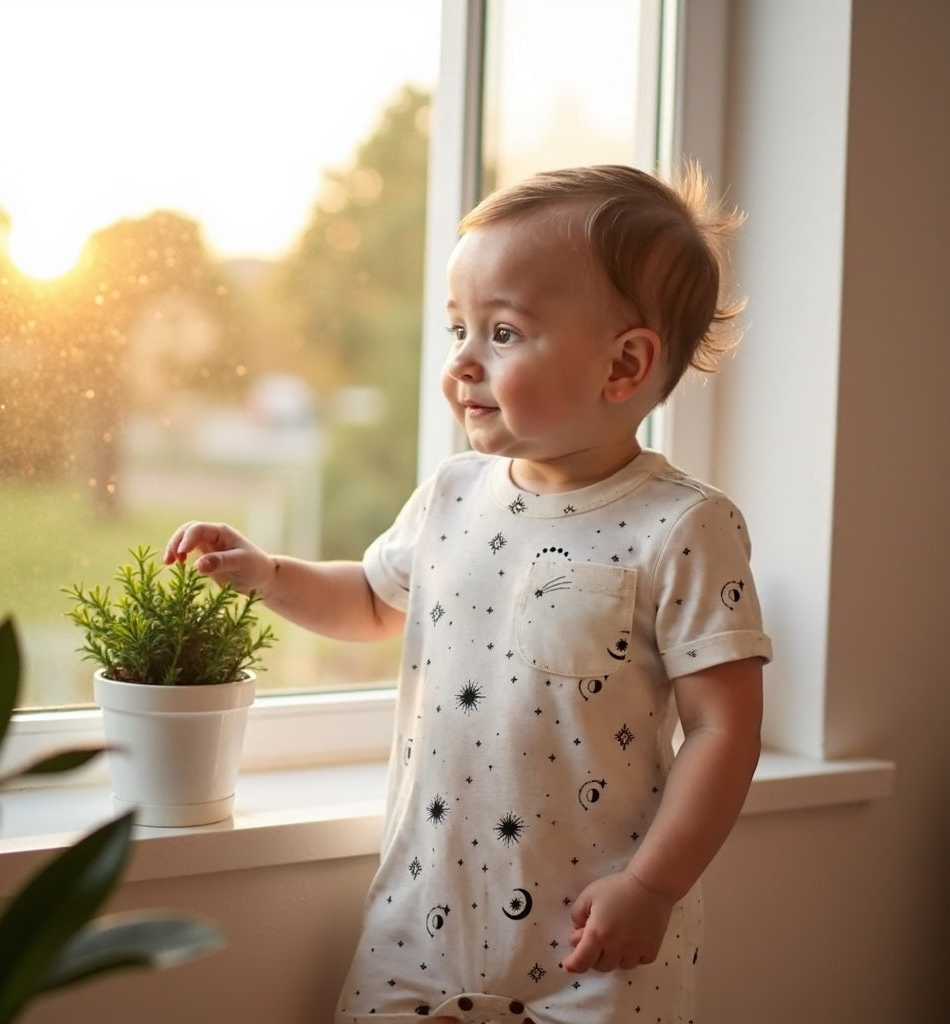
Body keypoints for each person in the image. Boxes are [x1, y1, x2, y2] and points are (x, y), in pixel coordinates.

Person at [164, 163, 772, 1024]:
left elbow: (724, 728)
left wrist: (651, 885)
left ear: (624, 363)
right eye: (458, 328)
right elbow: (374, 602)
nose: (461, 362)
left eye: (504, 333)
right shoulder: (452, 494)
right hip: (418, 926)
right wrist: (268, 575)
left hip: (596, 944)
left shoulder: (680, 527)